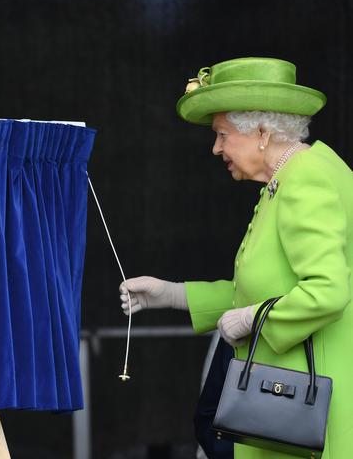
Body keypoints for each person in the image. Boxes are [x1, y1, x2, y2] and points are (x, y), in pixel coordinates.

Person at [119, 57, 353, 459]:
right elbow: (268, 287)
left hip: (301, 410)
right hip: (282, 407)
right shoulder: (286, 180)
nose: (216, 148)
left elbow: (328, 291)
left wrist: (252, 319)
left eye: (222, 134)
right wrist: (172, 295)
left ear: (261, 132)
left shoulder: (307, 180)